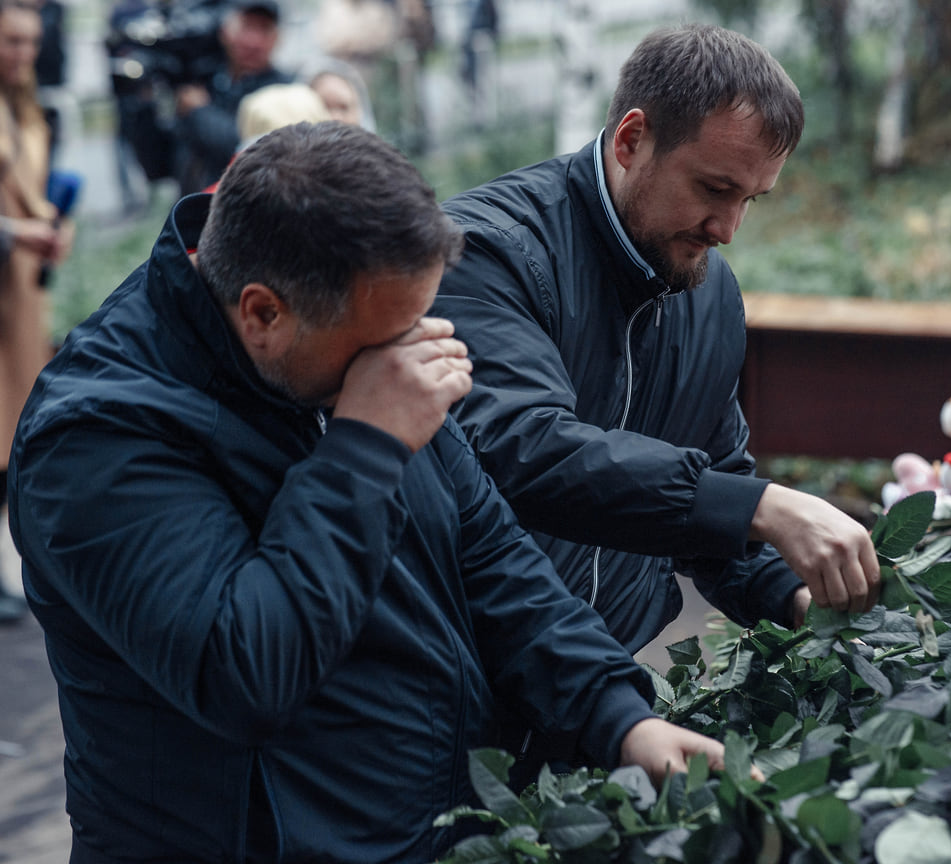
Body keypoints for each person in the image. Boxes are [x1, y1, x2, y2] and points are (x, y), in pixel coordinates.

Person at [7, 121, 731, 861]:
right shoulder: (96, 436)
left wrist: (618, 717)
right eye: (384, 339)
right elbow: (244, 673)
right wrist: (366, 444)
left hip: (420, 835)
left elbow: (496, 566)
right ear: (263, 313)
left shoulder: (360, 356)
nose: (414, 358)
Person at [433, 22, 881, 659]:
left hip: (605, 696)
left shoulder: (708, 290)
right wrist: (762, 505)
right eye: (714, 189)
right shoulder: (486, 251)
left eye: (752, 199)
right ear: (631, 139)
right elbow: (524, 450)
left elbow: (715, 504)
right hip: (466, 692)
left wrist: (798, 597)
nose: (727, 228)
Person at [0, 0, 71, 623]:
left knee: (12, 427)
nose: (21, 55)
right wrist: (17, 232)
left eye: (29, 43)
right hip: (7, 280)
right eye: (10, 41)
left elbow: (38, 191)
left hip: (23, 289)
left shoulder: (26, 105)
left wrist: (55, 224)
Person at [173, 0, 290, 194]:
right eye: (247, 26)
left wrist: (200, 111)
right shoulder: (205, 79)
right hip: (190, 207)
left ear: (277, 38)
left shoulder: (284, 89)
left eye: (264, 29)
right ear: (225, 32)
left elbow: (247, 148)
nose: (254, 41)